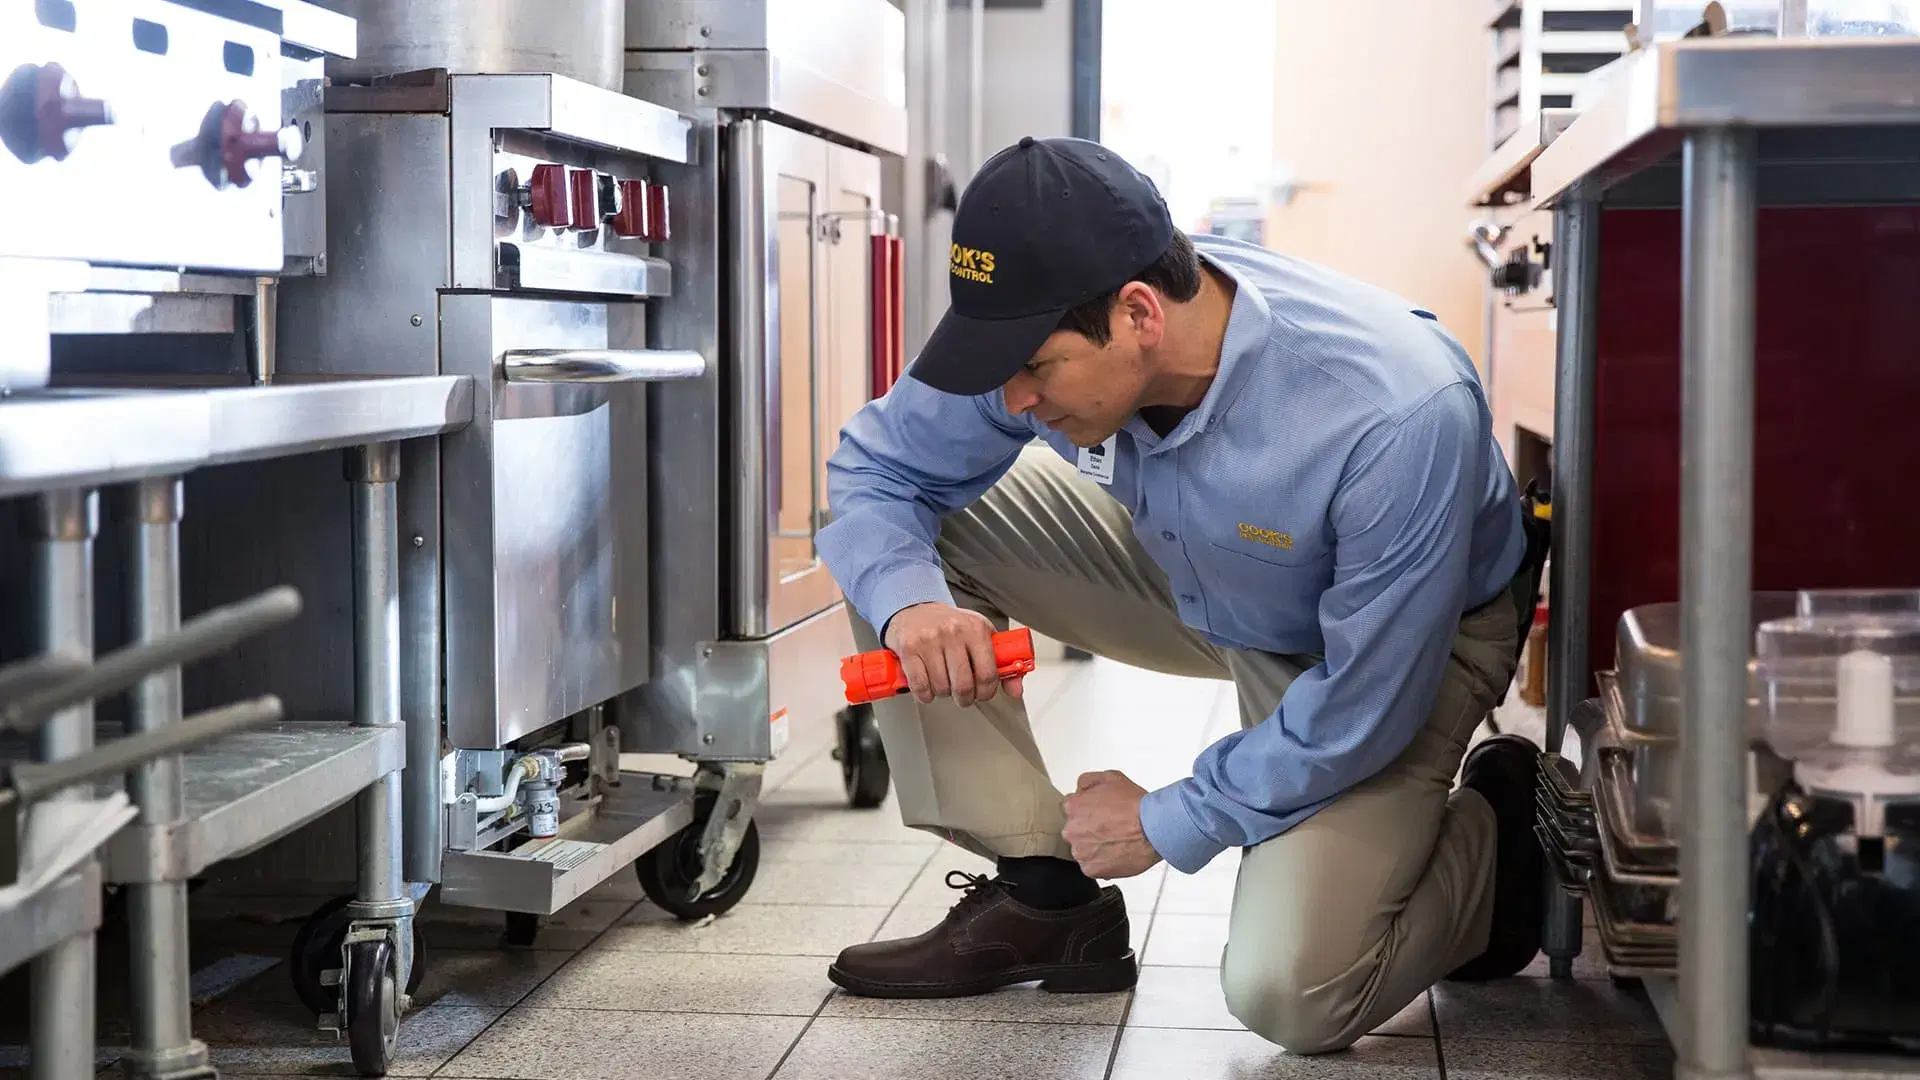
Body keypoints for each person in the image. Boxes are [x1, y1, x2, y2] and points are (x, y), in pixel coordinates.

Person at [813, 135, 1548, 1054]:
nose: (1013, 398)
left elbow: (1363, 709)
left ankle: (1506, 839)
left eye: (1037, 370)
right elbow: (877, 470)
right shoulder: (1042, 327)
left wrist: (1165, 818)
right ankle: (1045, 893)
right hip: (1202, 563)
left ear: (1138, 316)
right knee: (895, 551)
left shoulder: (1391, 412)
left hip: (1389, 645)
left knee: (1295, 994)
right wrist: (910, 606)